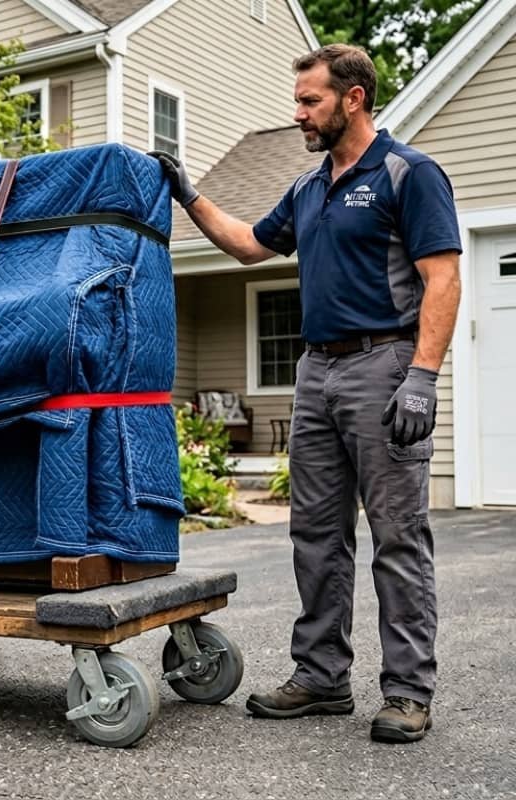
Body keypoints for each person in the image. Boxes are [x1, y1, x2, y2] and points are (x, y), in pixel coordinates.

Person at [152, 44, 461, 744]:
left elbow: (442, 278)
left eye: (309, 101)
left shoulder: (408, 174)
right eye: (297, 101)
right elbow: (247, 248)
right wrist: (188, 192)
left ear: (353, 99)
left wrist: (422, 376)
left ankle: (409, 691)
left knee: (397, 536)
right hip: (315, 372)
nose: (298, 114)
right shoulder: (308, 187)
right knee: (316, 536)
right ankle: (321, 677)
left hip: (385, 364)